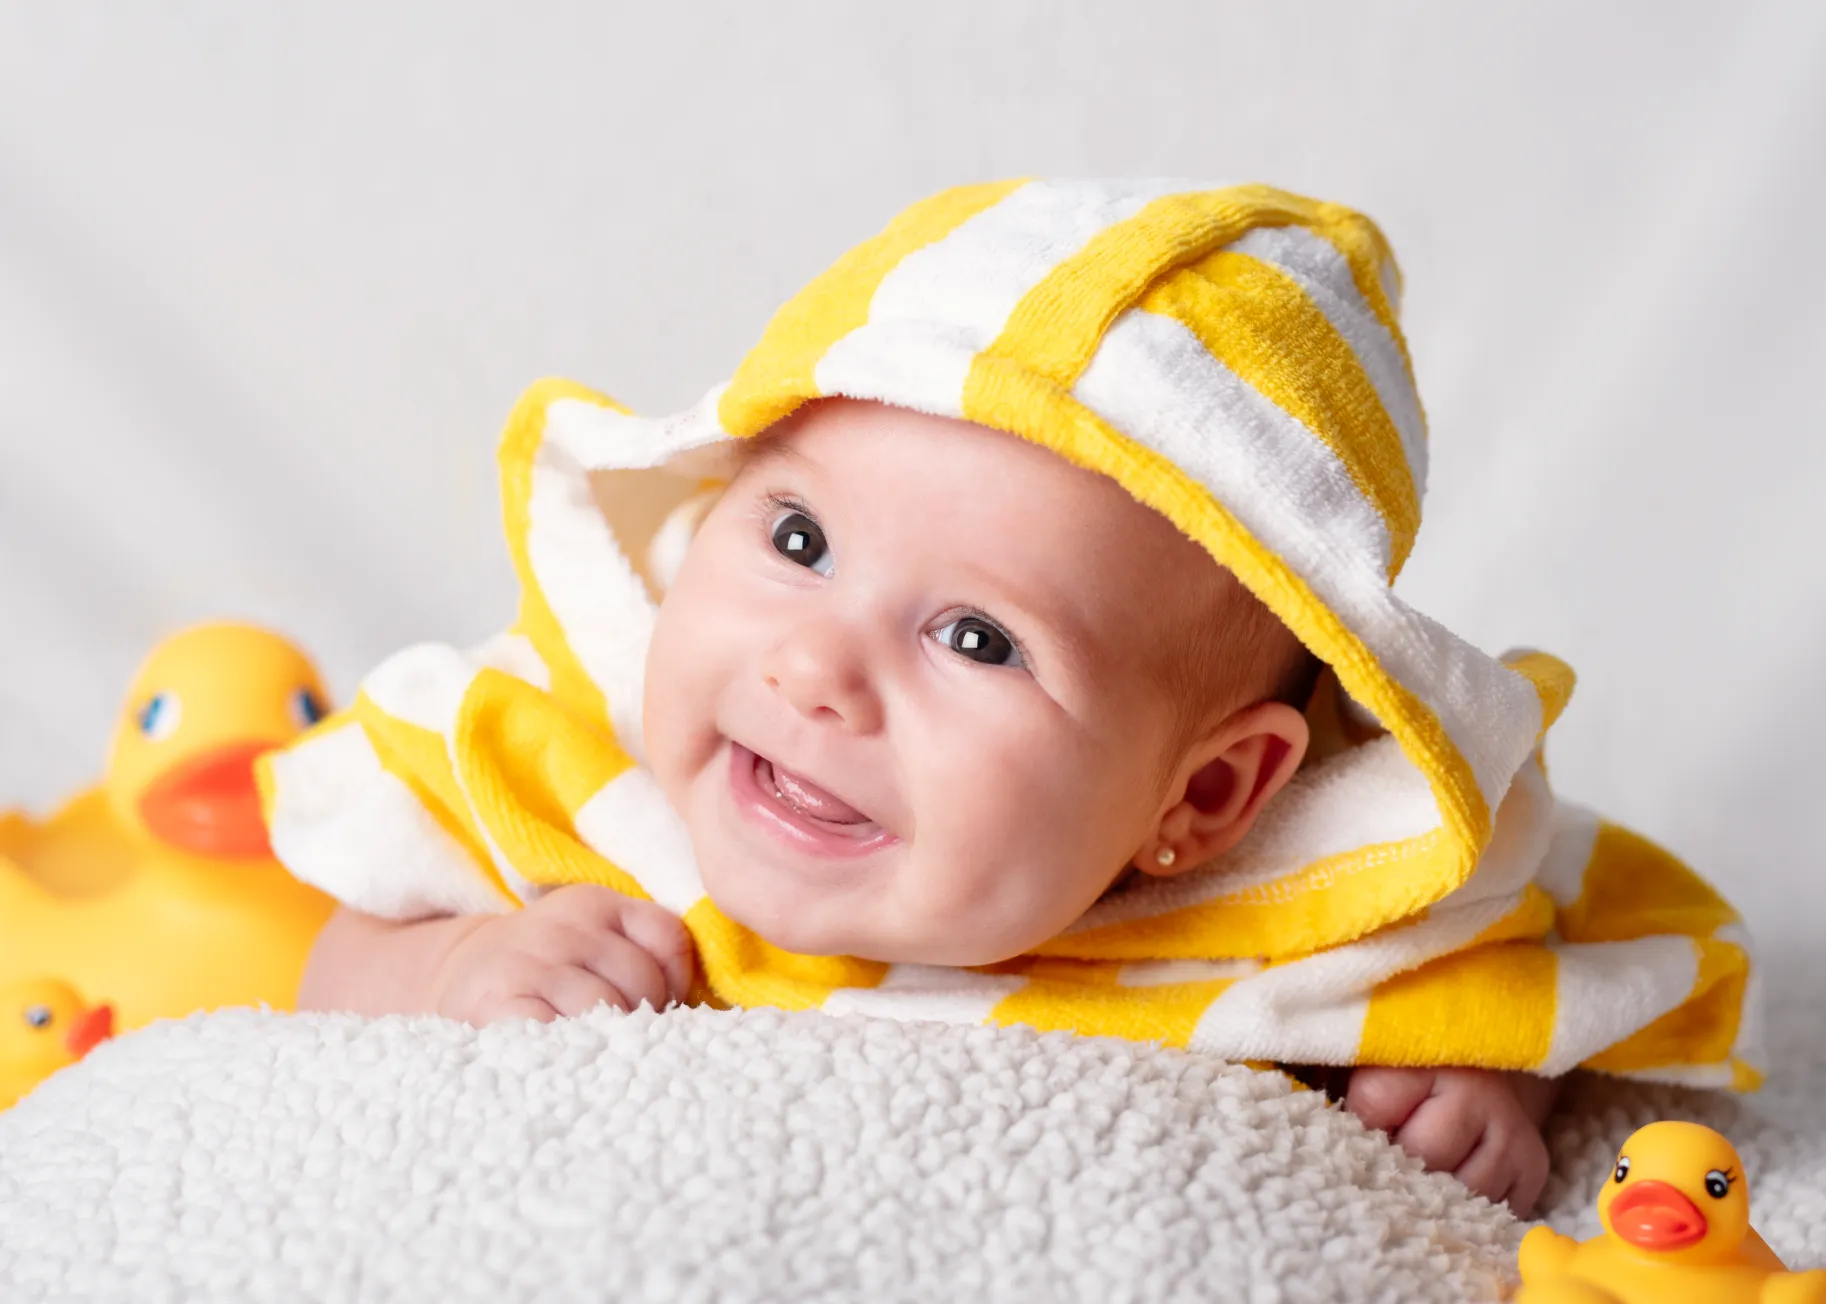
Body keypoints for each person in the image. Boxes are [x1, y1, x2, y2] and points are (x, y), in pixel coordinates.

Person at [261, 181, 1757, 1216]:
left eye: (976, 640)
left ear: (1209, 800)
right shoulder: (569, 767)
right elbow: (325, 948)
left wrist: (1476, 1089)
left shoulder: (1287, 914)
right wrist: (455, 968)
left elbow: (1533, 969)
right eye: (795, 541)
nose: (812, 671)